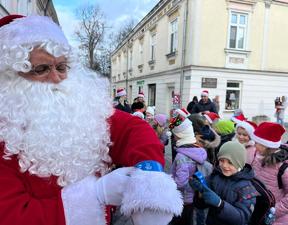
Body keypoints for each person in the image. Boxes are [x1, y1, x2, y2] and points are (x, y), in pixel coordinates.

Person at [0, 15, 183, 225]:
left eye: (61, 67)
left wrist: (148, 172)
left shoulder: (80, 107)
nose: (57, 78)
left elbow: (133, 129)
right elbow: (11, 216)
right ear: (10, 77)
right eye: (41, 69)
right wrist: (97, 195)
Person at [189, 141, 258, 225]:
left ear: (240, 163)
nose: (224, 165)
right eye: (222, 160)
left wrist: (220, 204)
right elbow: (200, 206)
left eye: (230, 162)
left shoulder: (246, 188)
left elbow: (242, 219)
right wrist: (200, 193)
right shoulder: (215, 176)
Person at [250, 122, 288, 225]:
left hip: (277, 219)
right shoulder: (258, 155)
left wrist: (274, 211)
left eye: (257, 143)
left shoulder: (285, 167)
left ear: (267, 145)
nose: (254, 145)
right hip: (258, 209)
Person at [169, 115, 208, 225]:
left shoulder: (182, 156)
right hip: (191, 196)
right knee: (188, 220)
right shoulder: (196, 149)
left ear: (180, 136)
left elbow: (181, 182)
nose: (173, 137)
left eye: (175, 135)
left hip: (182, 198)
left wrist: (168, 184)